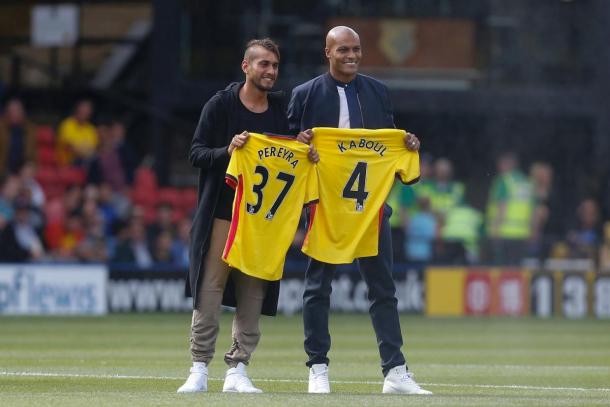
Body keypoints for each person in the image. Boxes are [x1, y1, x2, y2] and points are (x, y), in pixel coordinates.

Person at [288, 26, 431, 395]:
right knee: (318, 287)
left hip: (369, 209)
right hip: (325, 206)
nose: (351, 55)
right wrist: (300, 143)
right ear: (328, 53)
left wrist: (408, 143)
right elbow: (287, 153)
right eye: (343, 50)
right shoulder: (304, 95)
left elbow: (390, 143)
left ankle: (395, 371)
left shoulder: (378, 92)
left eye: (357, 49)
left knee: (383, 288)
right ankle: (317, 367)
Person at [178, 38, 289, 394]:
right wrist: (228, 151)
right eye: (264, 64)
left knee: (252, 293)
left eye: (274, 65)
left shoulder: (282, 110)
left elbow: (293, 154)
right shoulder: (220, 105)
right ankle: (199, 367)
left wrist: (305, 146)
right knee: (209, 289)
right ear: (246, 66)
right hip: (223, 214)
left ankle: (238, 369)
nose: (270, 71)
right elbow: (195, 153)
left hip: (262, 222)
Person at [0, 98, 37, 178]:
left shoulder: (30, 129)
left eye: (17, 111)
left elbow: (32, 156)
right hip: (4, 172)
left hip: (23, 174)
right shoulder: (1, 128)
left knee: (28, 188)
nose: (14, 114)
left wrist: (29, 165)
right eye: (11, 111)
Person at [56, 99, 98, 166]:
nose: (84, 113)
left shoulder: (91, 129)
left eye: (87, 111)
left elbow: (93, 149)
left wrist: (81, 149)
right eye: (82, 110)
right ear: (77, 110)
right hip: (69, 161)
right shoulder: (67, 124)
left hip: (87, 160)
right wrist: (84, 150)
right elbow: (69, 147)